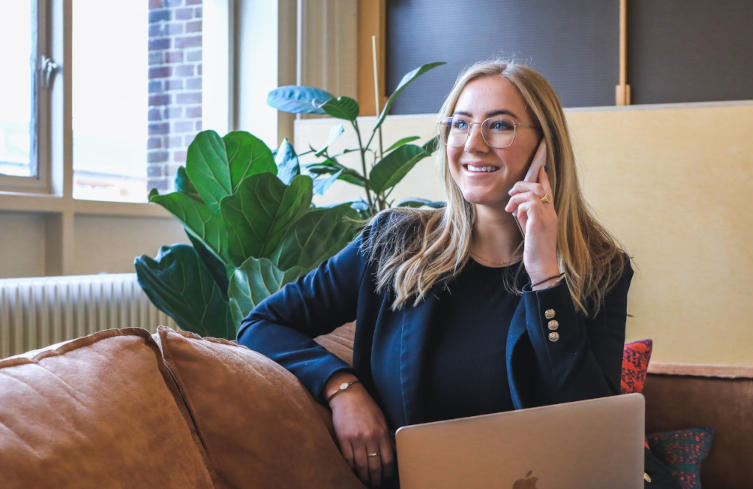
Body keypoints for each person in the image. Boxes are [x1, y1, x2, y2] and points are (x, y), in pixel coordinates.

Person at [238, 60, 644, 489]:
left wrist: (545, 275)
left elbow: (590, 428)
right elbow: (262, 324)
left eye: (500, 126)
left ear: (546, 146)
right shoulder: (392, 243)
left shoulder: (601, 270)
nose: (474, 143)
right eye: (460, 124)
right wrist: (342, 388)